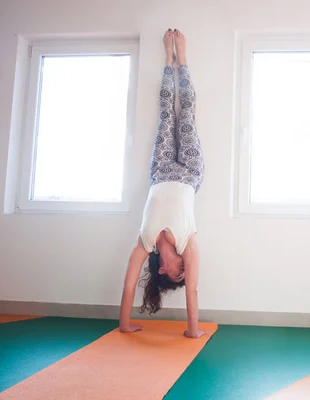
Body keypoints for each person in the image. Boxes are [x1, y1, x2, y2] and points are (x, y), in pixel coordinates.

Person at [119, 29, 207, 338]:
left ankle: (169, 63)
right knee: (188, 115)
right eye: (184, 270)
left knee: (167, 112)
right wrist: (192, 331)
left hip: (161, 169)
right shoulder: (188, 245)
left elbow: (130, 283)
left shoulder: (144, 243)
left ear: (161, 269)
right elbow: (192, 291)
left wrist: (124, 324)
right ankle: (183, 60)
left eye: (176, 273)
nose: (183, 269)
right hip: (190, 171)